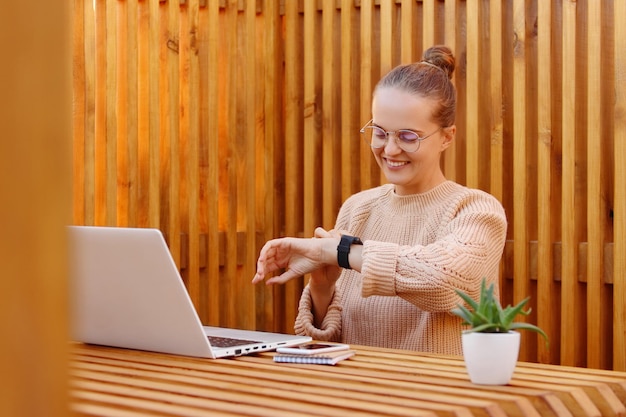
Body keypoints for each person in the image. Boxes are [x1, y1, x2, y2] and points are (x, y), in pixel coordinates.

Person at [252, 45, 507, 355]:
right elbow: (330, 349)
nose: (390, 150)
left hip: (439, 398)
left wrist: (341, 252)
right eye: (380, 133)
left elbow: (443, 280)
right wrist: (322, 287)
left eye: (408, 136)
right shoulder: (358, 209)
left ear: (447, 137)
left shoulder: (475, 211)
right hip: (360, 396)